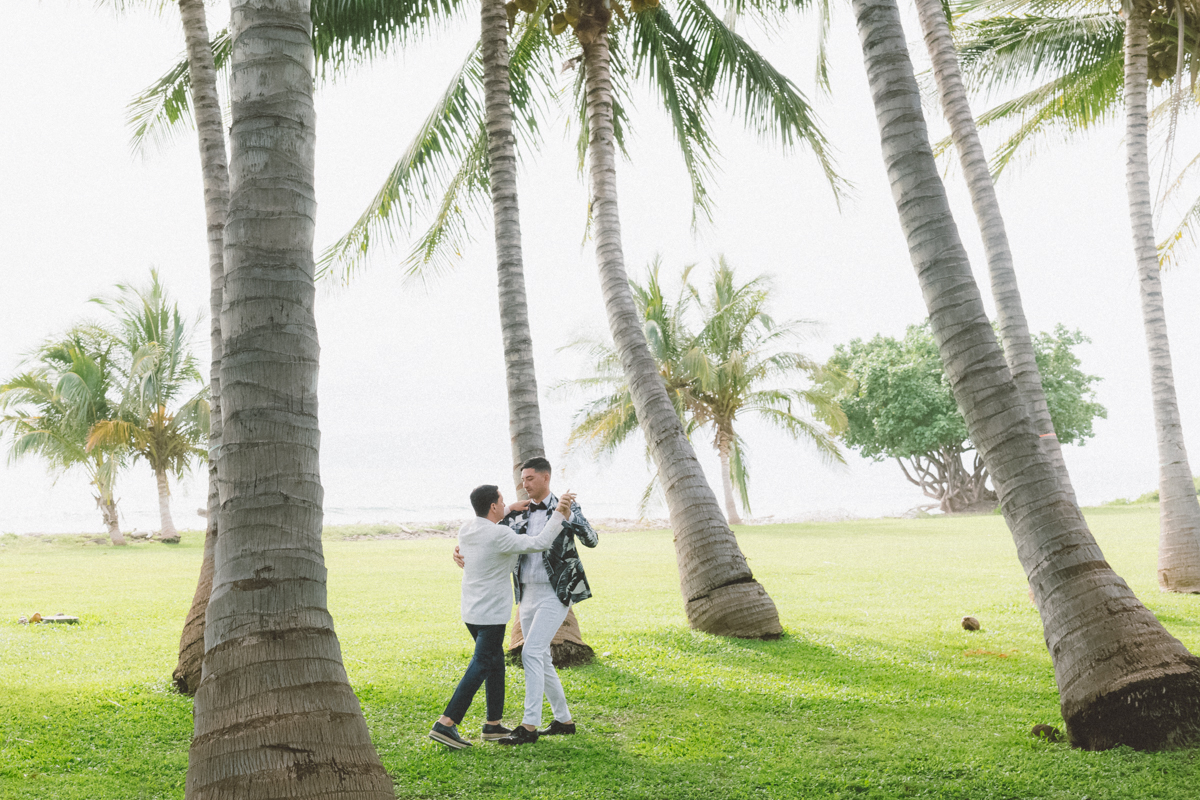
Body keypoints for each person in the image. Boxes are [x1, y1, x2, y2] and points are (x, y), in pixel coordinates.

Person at [429, 484, 575, 750]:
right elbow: (540, 543)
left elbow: (488, 520)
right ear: (493, 506)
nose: (505, 503)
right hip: (491, 614)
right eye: (502, 501)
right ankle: (446, 723)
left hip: (471, 611)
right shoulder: (500, 534)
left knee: (495, 663)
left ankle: (493, 725)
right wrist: (559, 515)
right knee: (482, 664)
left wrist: (509, 508)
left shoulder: (466, 529)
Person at [498, 457, 600, 745]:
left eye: (530, 478)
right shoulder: (520, 511)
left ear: (545, 477)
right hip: (526, 594)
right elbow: (491, 534)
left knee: (531, 653)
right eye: (523, 479)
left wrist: (569, 516)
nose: (524, 484)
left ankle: (529, 726)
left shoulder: (567, 506)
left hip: (556, 593)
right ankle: (564, 720)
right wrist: (462, 552)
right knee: (540, 657)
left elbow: (592, 540)